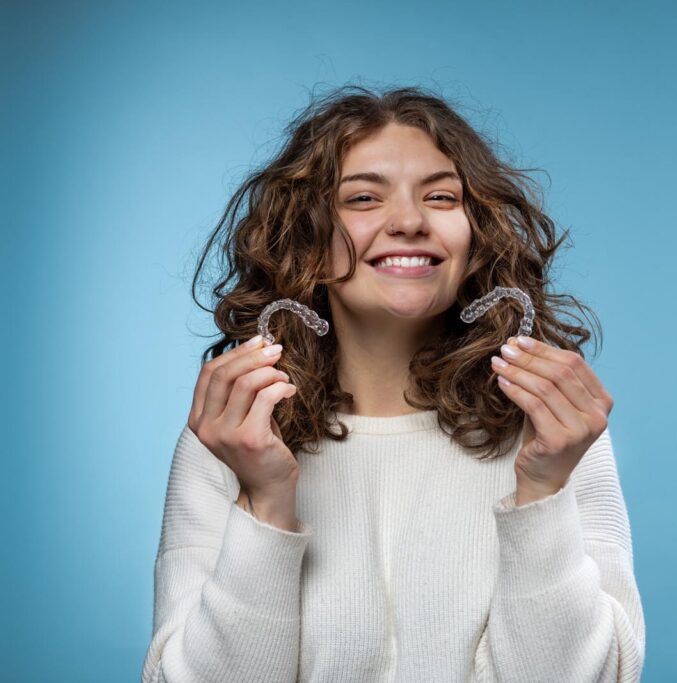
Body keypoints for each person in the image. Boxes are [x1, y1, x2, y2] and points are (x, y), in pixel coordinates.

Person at [141, 84, 645, 682]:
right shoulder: (231, 441)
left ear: (474, 232)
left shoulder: (558, 436)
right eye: (362, 198)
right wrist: (266, 503)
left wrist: (542, 490)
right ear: (306, 235)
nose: (409, 221)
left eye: (440, 196)